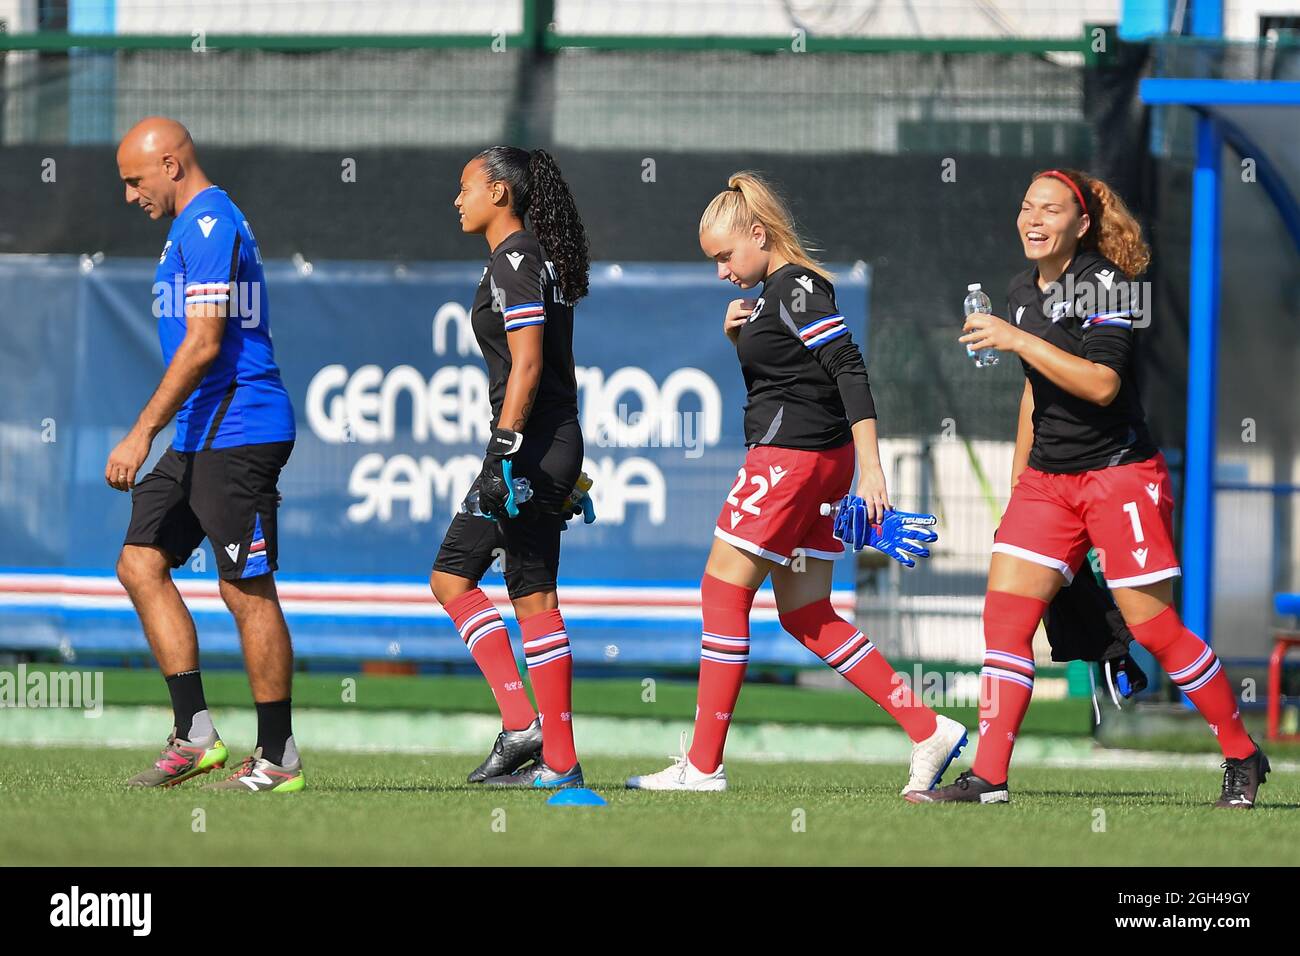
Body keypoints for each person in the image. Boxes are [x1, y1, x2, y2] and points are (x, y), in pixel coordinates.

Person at [910, 168, 1269, 808]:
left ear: (1082, 224)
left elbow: (1102, 383)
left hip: (1120, 475)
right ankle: (990, 778)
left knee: (1155, 628)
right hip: (1049, 485)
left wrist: (1016, 336)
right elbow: (1034, 389)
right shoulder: (1021, 290)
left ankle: (1242, 755)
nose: (1034, 219)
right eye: (1026, 207)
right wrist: (1021, 479)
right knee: (1005, 619)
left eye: (1050, 210)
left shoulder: (1110, 285)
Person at [626, 172, 967, 793]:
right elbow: (794, 378)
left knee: (721, 594)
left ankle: (703, 767)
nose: (722, 272)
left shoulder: (797, 287)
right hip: (813, 460)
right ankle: (927, 728)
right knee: (807, 613)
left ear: (759, 233)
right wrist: (742, 339)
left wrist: (873, 468)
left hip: (792, 462)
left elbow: (848, 368)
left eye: (726, 255)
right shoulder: (777, 293)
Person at [111, 117, 302, 792]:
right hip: (200, 432)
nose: (131, 194)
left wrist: (140, 434)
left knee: (243, 588)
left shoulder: (209, 223)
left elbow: (204, 343)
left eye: (135, 180)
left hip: (241, 428)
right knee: (140, 563)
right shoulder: (187, 227)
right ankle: (195, 735)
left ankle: (278, 757)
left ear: (169, 162)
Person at [430, 146, 589, 789]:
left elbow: (527, 367)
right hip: (547, 442)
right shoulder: (532, 261)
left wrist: (505, 454)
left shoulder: (516, 259)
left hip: (527, 446)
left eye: (465, 185)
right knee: (532, 594)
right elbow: (561, 371)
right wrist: (565, 454)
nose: (457, 198)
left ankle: (534, 734)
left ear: (499, 191)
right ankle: (554, 758)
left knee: (453, 578)